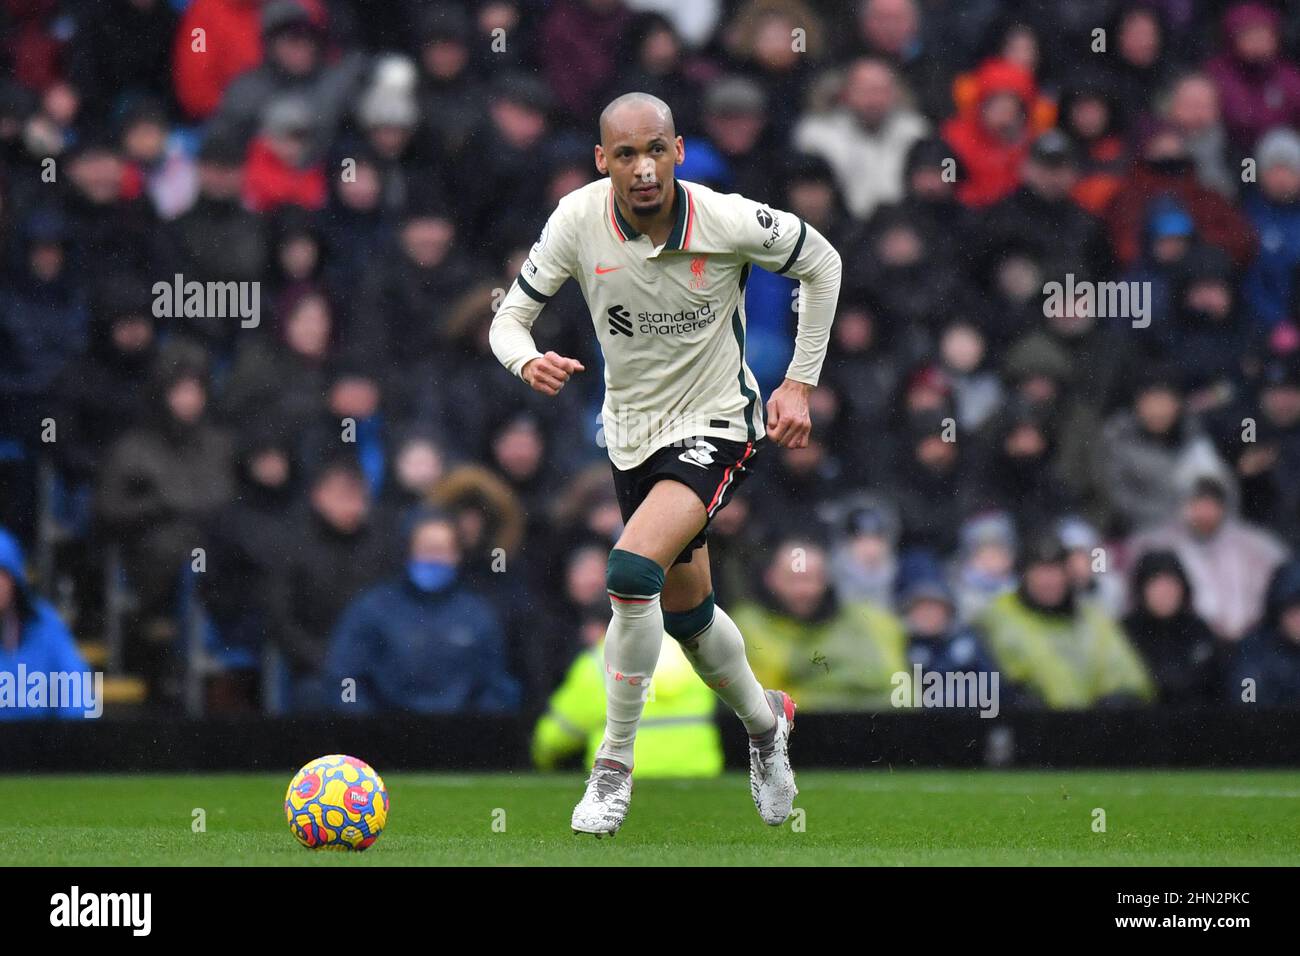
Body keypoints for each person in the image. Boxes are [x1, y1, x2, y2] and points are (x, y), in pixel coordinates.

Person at [489, 92, 842, 834]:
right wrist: (527, 363)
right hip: (630, 436)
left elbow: (824, 262)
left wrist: (800, 381)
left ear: (679, 151)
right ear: (602, 162)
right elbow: (509, 320)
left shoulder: (727, 219)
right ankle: (765, 723)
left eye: (656, 149)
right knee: (686, 616)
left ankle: (613, 768)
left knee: (628, 572)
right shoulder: (577, 220)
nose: (643, 167)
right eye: (625, 154)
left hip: (718, 424)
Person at [324, 509, 520, 714]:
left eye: (442, 550)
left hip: (459, 734)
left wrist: (477, 730)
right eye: (427, 549)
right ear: (407, 551)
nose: (434, 559)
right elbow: (344, 677)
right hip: (385, 732)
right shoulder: (372, 609)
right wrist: (361, 722)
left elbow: (496, 686)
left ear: (457, 555)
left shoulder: (478, 615)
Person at [0, 528, 92, 721]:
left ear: (15, 579)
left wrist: (68, 740)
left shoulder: (43, 624)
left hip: (37, 745)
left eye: (1, 574)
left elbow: (76, 693)